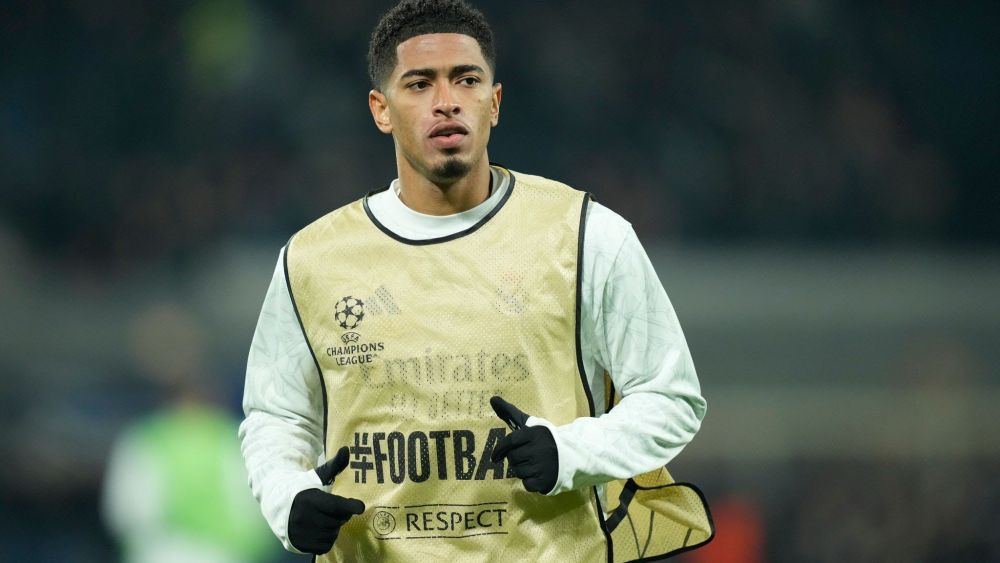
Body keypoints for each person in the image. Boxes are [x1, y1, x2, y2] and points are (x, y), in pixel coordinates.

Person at [239, 1, 712, 561]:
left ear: (494, 102)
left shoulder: (586, 235)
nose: (446, 101)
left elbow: (672, 396)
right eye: (419, 84)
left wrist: (571, 451)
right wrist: (288, 497)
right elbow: (277, 415)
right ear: (381, 109)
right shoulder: (312, 259)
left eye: (466, 80)